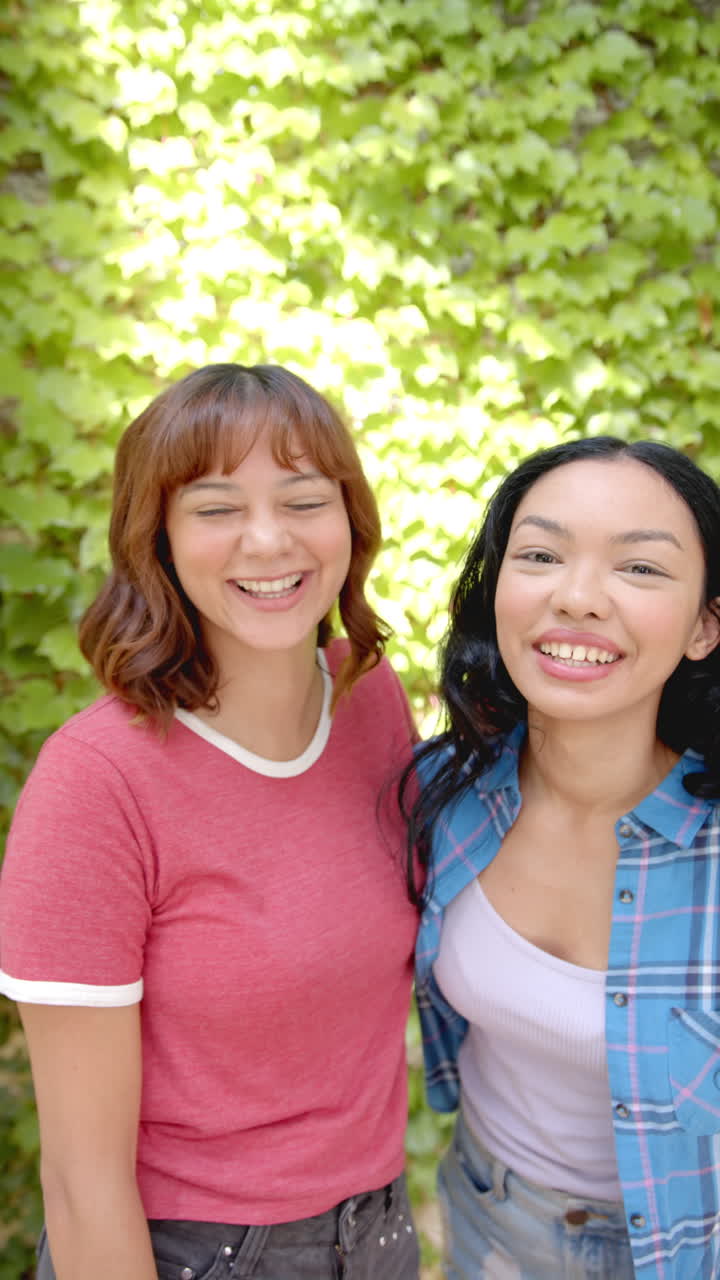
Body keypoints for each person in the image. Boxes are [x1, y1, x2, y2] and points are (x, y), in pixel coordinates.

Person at [0, 363, 421, 1280]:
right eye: (216, 507)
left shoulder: (370, 699)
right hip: (192, 1255)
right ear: (157, 538)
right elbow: (82, 1184)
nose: (267, 541)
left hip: (381, 1235)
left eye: (303, 499)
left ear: (350, 521)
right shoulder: (96, 783)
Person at [403, 436, 720, 1280]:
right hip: (488, 1219)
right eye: (540, 555)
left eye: (641, 569)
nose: (577, 598)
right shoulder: (445, 795)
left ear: (704, 626)